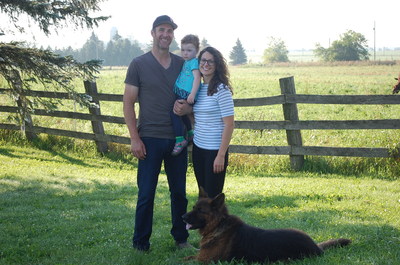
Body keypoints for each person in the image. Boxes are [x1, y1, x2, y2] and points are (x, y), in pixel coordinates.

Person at [123, 15, 191, 252]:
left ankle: (181, 239)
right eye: (161, 30)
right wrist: (134, 138)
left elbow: (193, 97)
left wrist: (188, 108)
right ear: (152, 33)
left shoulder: (182, 64)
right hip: (149, 138)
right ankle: (140, 243)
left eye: (170, 31)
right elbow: (128, 103)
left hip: (177, 139)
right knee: (146, 195)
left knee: (179, 194)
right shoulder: (139, 64)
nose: (166, 34)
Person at [192, 46, 235, 198]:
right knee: (202, 195)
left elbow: (229, 124)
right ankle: (201, 223)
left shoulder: (222, 90)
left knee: (212, 199)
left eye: (211, 61)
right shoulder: (198, 88)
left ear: (217, 65)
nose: (206, 64)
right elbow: (197, 116)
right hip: (198, 148)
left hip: (214, 151)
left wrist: (221, 155)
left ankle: (215, 223)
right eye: (203, 60)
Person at [170, 34, 201, 156]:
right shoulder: (187, 61)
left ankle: (179, 139)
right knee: (183, 115)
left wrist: (192, 94)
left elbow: (197, 78)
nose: (185, 53)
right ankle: (190, 132)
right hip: (183, 91)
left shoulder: (194, 62)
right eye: (183, 50)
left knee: (174, 113)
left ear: (196, 51)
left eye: (189, 50)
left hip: (187, 93)